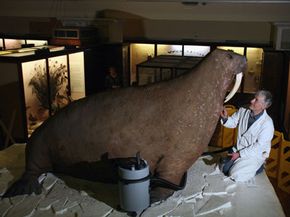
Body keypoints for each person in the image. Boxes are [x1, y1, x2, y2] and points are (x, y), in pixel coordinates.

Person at [220, 90, 274, 182]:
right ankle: (236, 162)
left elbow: (259, 146)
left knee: (235, 174)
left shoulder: (267, 124)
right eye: (253, 98)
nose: (252, 101)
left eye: (256, 100)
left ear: (264, 106)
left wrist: (240, 154)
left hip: (255, 154)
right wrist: (225, 119)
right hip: (239, 148)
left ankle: (259, 166)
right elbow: (233, 122)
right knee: (224, 168)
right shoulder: (243, 110)